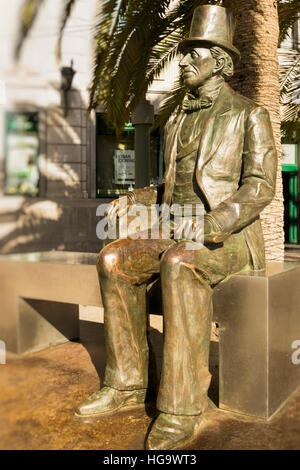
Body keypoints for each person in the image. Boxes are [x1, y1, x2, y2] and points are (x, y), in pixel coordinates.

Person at [76, 5, 277, 450]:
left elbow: (261, 187)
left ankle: (181, 407)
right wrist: (135, 198)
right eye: (183, 53)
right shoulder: (179, 119)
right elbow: (171, 184)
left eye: (193, 54)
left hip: (227, 237)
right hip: (173, 225)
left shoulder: (249, 114)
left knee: (181, 262)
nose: (181, 61)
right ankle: (126, 384)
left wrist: (211, 224)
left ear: (219, 62)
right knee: (113, 259)